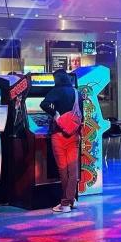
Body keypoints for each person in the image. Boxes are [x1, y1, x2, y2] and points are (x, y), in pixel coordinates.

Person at [40, 69, 81, 213]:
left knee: (63, 170)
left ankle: (65, 204)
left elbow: (43, 104)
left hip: (58, 135)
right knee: (73, 170)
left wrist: (56, 114)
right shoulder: (77, 92)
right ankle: (71, 200)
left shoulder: (55, 91)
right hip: (74, 135)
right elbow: (81, 114)